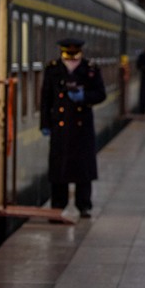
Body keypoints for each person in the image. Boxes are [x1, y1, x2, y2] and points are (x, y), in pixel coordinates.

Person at [40, 37, 106, 218]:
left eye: (74, 52)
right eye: (68, 52)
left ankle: (83, 205)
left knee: (83, 169)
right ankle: (58, 205)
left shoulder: (90, 69)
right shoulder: (53, 69)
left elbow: (101, 94)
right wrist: (45, 124)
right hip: (59, 126)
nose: (71, 56)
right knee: (58, 168)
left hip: (82, 126)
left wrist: (84, 97)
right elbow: (46, 99)